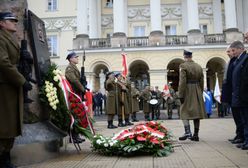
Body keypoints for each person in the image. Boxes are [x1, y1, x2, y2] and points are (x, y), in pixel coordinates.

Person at [0, 12, 33, 168]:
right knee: (5, 123)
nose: (14, 23)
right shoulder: (0, 38)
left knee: (11, 123)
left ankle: (6, 156)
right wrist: (21, 80)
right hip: (5, 86)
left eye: (15, 20)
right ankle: (3, 157)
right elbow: (4, 63)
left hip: (11, 86)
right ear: (1, 23)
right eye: (10, 20)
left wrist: (26, 58)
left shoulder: (9, 38)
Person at [178, 49, 206, 141]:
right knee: (196, 113)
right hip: (197, 89)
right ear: (191, 56)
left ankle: (187, 131)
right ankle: (196, 135)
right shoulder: (198, 66)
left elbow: (182, 82)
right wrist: (200, 92)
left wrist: (181, 95)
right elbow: (202, 81)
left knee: (183, 111)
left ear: (184, 56)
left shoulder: (183, 65)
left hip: (187, 90)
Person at [228, 41, 248, 150]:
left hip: (243, 96)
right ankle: (245, 139)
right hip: (239, 95)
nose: (232, 52)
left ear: (240, 49)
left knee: (245, 119)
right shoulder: (238, 60)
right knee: (243, 119)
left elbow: (244, 79)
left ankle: (246, 140)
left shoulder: (245, 59)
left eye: (233, 50)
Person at [65, 51, 85, 143]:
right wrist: (82, 88)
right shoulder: (69, 68)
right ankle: (73, 137)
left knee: (77, 114)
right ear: (71, 59)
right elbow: (74, 80)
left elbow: (78, 80)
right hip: (73, 94)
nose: (77, 58)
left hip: (76, 93)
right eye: (76, 57)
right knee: (74, 114)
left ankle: (76, 135)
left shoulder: (74, 67)